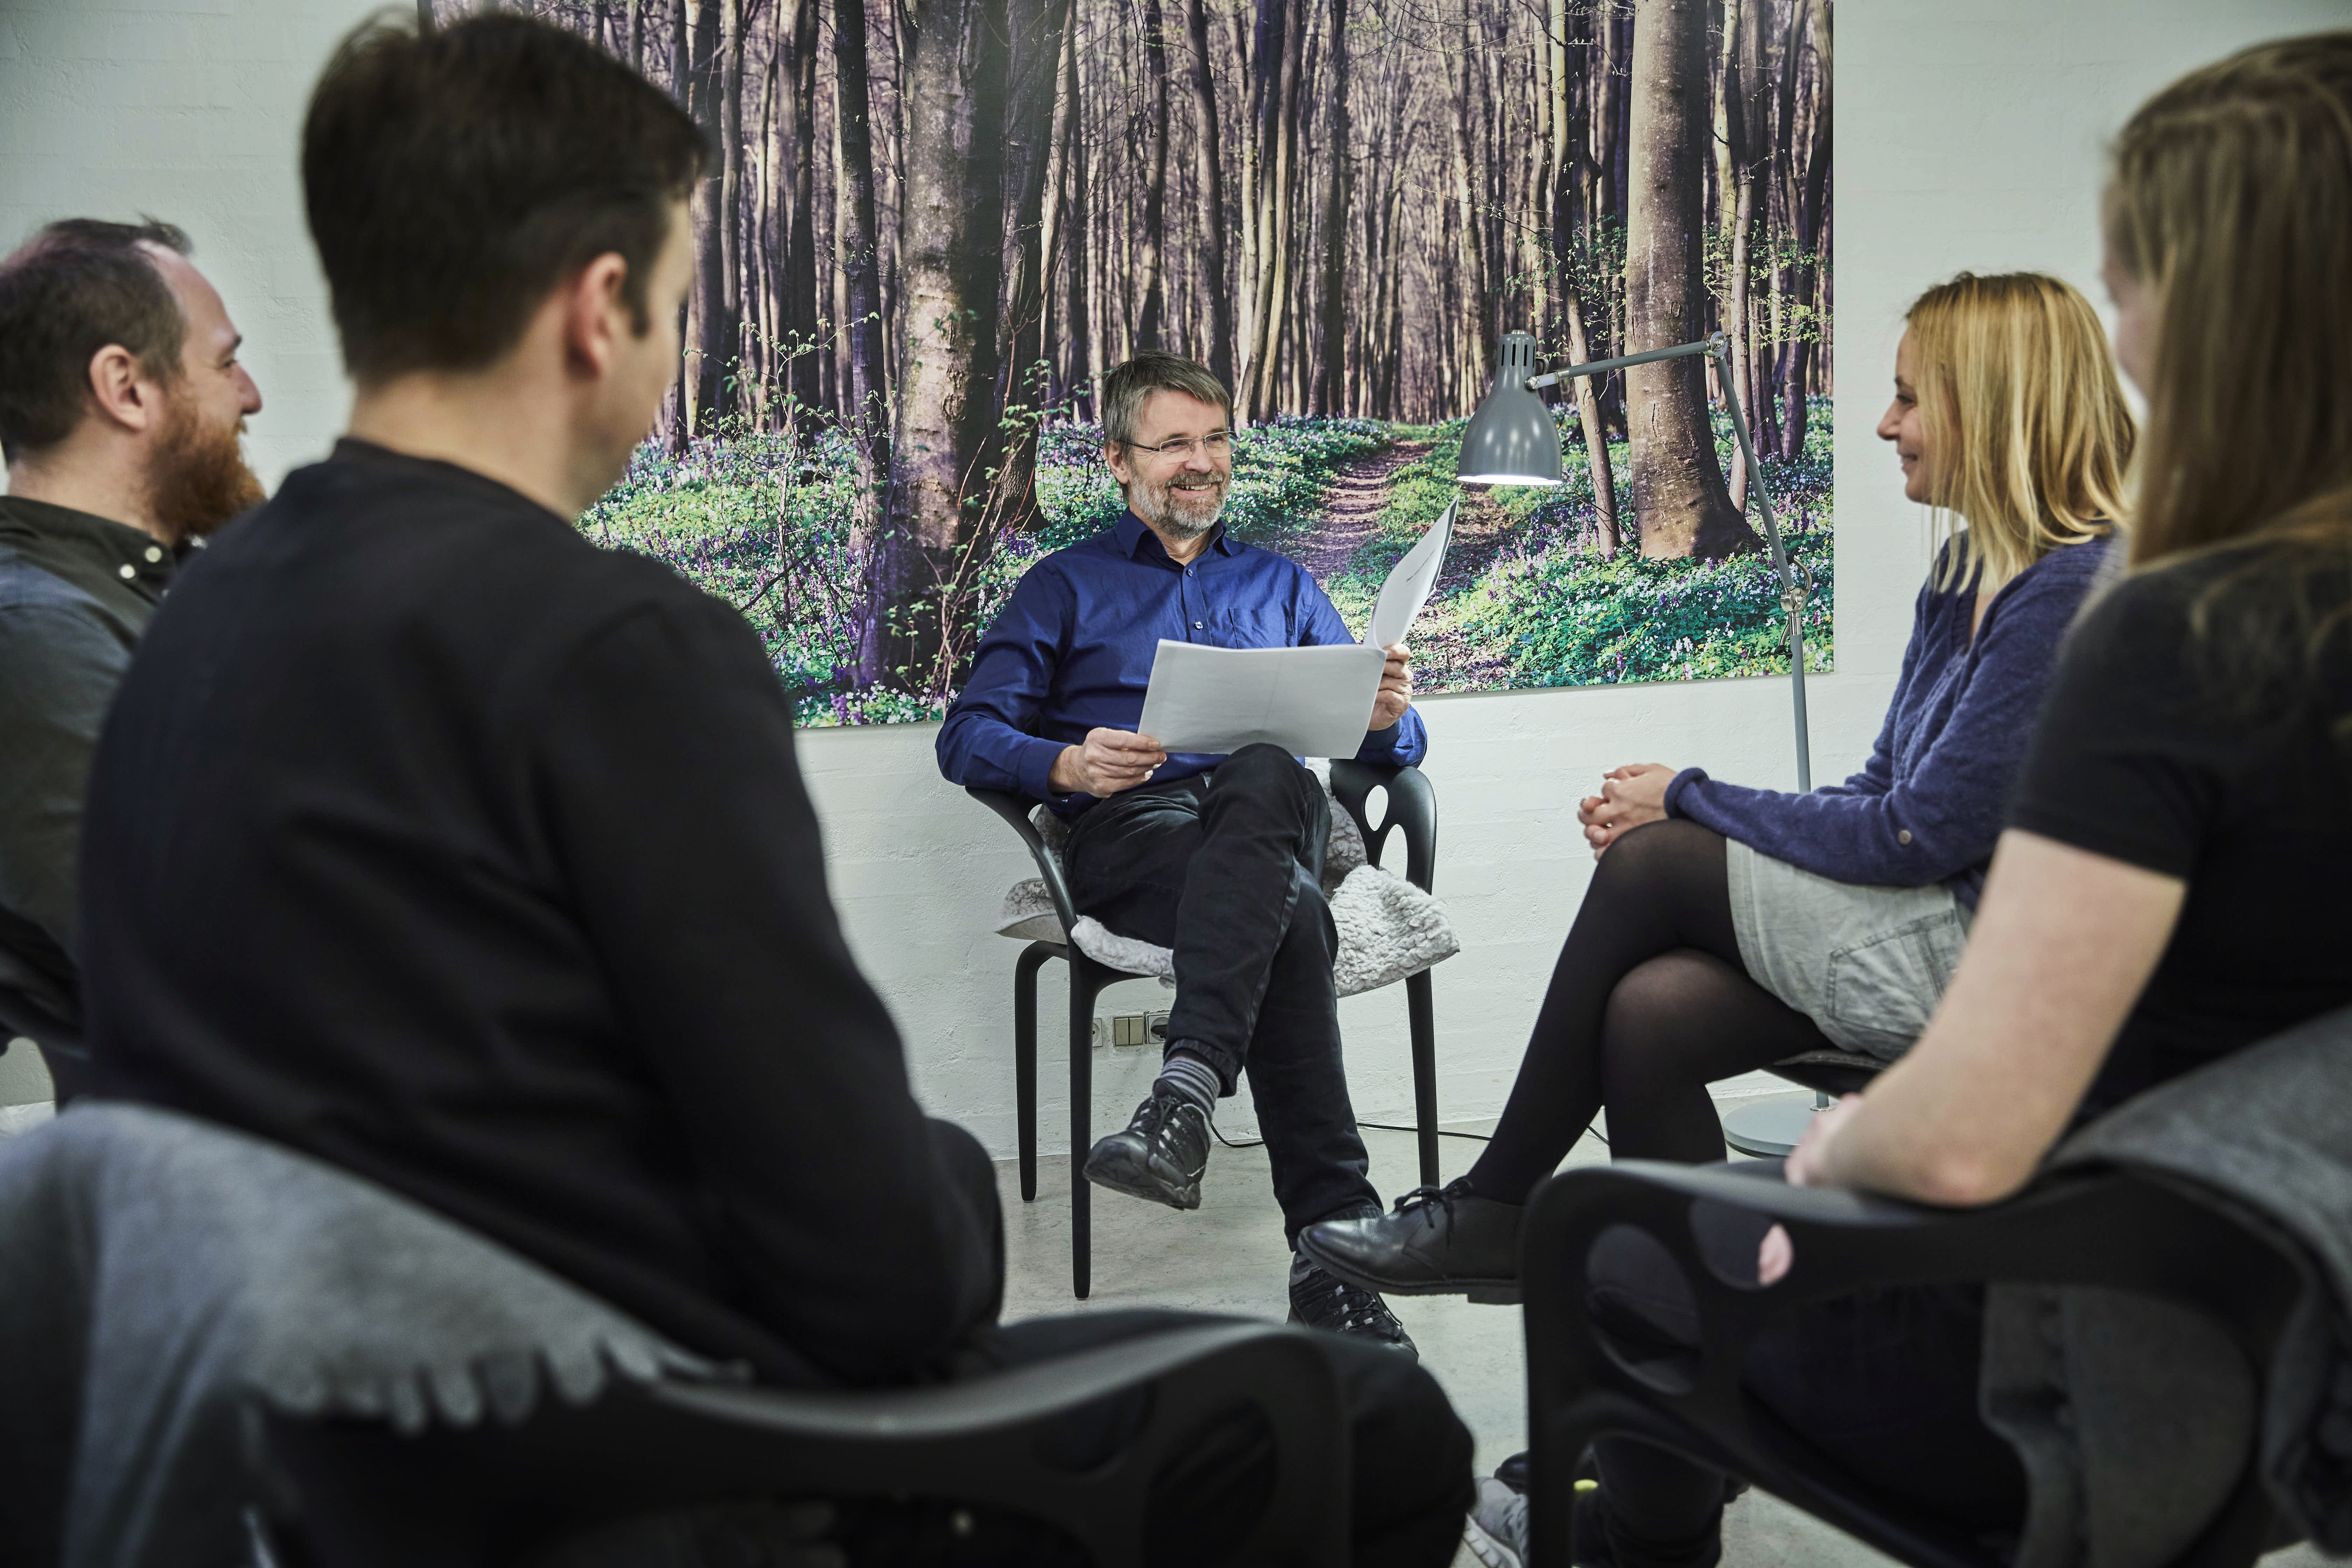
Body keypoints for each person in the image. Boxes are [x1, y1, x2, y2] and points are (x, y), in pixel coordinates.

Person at [76, 17, 1470, 1563]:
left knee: (1275, 861)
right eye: (678, 300)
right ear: (602, 309)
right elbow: (885, 1271)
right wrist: (949, 1174)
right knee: (1383, 1432)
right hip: (640, 1454)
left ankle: (1219, 1125)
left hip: (336, 1471)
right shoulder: (624, 652)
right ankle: (1306, 1229)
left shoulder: (182, 618)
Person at [1496, 30, 2352, 1568]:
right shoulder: (2133, 602)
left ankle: (1542, 1306)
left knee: (1615, 1259)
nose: (2123, 329)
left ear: (2223, 313)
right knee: (1658, 1011)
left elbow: (1958, 1133)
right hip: (2295, 1362)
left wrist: (1830, 1162)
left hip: (2082, 1379)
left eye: (2132, 279)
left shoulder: (2170, 626)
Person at [1301, 272, 2134, 1302]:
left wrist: (1686, 798)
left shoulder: (2070, 591)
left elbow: (1919, 838)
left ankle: (1500, 1204)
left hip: (1982, 971)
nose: (1884, 423)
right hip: (1912, 928)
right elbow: (1879, 789)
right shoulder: (1969, 569)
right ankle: (1681, 1423)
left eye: (1913, 397)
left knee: (1654, 861)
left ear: (1998, 405)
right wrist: (1689, 800)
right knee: (1648, 1018)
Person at [936, 351, 1426, 1354]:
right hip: (1140, 837)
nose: (1200, 465)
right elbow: (967, 736)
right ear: (1121, 461)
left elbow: (1392, 748)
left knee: (1262, 769)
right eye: (1173, 446)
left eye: (1214, 442)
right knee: (1289, 912)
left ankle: (1184, 1095)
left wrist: (1384, 718)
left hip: (1273, 809)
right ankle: (1333, 1266)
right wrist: (1067, 763)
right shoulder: (1065, 587)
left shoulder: (1284, 585)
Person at [0, 218, 264, 1101]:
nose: (251, 396)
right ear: (125, 387)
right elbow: (216, 971)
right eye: (225, 363)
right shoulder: (35, 638)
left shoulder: (164, 596)